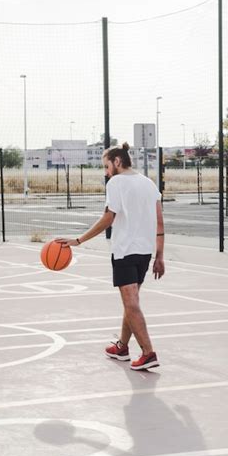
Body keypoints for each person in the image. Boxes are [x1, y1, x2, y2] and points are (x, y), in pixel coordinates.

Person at [56, 142, 165, 371]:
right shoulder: (149, 183)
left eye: (106, 166)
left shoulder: (116, 182)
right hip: (144, 252)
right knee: (131, 303)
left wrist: (78, 240)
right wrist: (159, 255)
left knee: (131, 305)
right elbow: (159, 222)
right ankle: (122, 347)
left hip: (125, 251)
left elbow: (108, 218)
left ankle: (148, 353)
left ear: (117, 162)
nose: (106, 172)